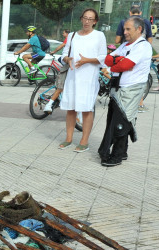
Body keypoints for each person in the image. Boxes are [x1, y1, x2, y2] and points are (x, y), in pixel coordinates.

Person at [97, 16, 152, 167]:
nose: (124, 32)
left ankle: (117, 156)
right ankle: (123, 151)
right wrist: (119, 62)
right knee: (117, 119)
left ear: (139, 29)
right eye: (124, 29)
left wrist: (118, 63)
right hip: (118, 87)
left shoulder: (143, 46)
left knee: (121, 122)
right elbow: (108, 59)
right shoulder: (126, 46)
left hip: (131, 89)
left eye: (128, 29)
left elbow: (125, 65)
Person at [58, 8, 106, 153]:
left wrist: (87, 60)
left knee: (86, 109)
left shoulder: (99, 36)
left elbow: (103, 56)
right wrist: (66, 58)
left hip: (88, 78)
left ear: (95, 22)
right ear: (81, 19)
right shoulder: (72, 36)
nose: (87, 21)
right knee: (71, 109)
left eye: (90, 19)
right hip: (73, 77)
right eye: (85, 18)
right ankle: (68, 138)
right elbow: (64, 53)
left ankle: (84, 141)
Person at [42, 30, 71, 113]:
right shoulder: (69, 40)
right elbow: (61, 47)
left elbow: (60, 47)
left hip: (73, 66)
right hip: (67, 63)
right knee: (60, 87)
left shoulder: (70, 38)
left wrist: (54, 52)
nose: (63, 34)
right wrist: (54, 51)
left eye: (63, 33)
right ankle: (49, 104)